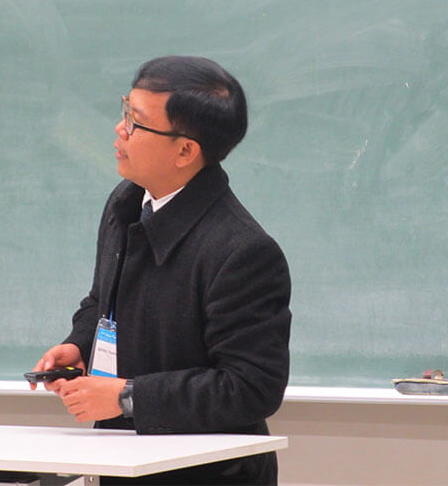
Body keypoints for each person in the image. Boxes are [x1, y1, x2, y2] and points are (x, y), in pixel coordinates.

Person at [30, 55, 291, 485]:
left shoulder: (243, 251)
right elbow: (102, 301)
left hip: (208, 475)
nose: (120, 129)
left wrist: (128, 397)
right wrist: (79, 344)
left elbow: (251, 388)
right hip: (123, 459)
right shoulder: (126, 203)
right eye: (125, 112)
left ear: (186, 151)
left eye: (136, 122)